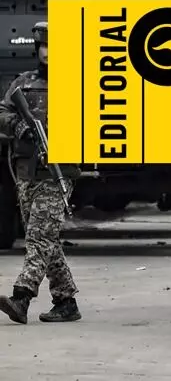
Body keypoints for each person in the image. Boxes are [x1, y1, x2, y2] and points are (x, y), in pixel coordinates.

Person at [0, 22, 82, 325]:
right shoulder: (23, 83)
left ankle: (21, 297)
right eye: (44, 46)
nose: (48, 52)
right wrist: (18, 125)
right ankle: (66, 300)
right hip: (25, 172)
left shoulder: (77, 84)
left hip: (57, 172)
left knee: (39, 237)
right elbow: (2, 112)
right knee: (46, 238)